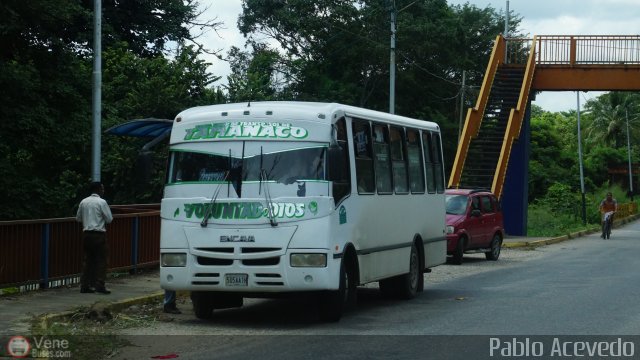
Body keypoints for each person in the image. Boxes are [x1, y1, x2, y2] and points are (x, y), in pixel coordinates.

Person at [76, 181, 113, 294]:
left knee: (88, 260)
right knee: (102, 260)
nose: (103, 191)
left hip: (86, 234)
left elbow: (78, 218)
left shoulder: (83, 202)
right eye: (102, 189)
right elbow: (109, 219)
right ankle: (99, 284)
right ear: (98, 190)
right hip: (99, 234)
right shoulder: (102, 202)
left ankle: (85, 285)